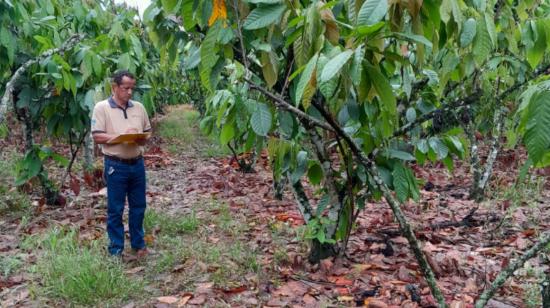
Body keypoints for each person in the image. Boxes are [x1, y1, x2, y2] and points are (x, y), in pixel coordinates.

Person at [91, 70, 151, 257]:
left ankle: (138, 244)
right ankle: (116, 249)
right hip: (115, 165)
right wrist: (121, 138)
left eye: (132, 88)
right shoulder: (102, 108)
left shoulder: (139, 108)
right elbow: (97, 136)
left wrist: (139, 138)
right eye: (126, 88)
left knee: (139, 206)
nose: (130, 92)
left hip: (137, 163)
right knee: (115, 209)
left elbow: (147, 133)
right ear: (114, 87)